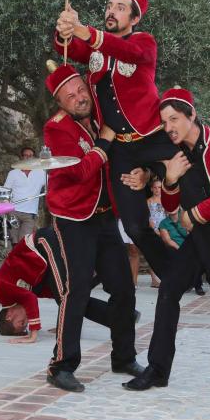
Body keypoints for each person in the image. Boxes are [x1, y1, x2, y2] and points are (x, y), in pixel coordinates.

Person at [122, 87, 210, 393]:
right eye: (164, 122)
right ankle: (158, 370)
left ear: (191, 115)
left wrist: (194, 215)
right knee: (169, 288)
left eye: (174, 119)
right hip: (203, 233)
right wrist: (169, 179)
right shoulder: (174, 156)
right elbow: (171, 206)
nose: (169, 127)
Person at [54, 0, 177, 277]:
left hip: (152, 137)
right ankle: (174, 275)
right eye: (110, 5)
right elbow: (68, 48)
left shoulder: (144, 42)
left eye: (120, 7)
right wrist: (64, 29)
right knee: (134, 226)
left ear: (134, 18)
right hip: (120, 146)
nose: (111, 10)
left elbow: (126, 50)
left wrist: (84, 31)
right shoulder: (96, 49)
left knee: (194, 188)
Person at [43, 64, 142, 392]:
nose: (78, 98)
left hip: (104, 216)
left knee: (124, 288)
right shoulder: (56, 129)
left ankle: (123, 356)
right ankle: (61, 365)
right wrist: (104, 142)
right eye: (69, 96)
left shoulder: (100, 113)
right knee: (77, 289)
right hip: (73, 218)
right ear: (61, 103)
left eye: (80, 90)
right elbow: (81, 171)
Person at [0, 227, 138, 343]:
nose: (27, 321)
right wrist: (65, 318)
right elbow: (55, 292)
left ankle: (122, 314)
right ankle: (124, 317)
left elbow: (30, 298)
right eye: (26, 325)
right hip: (46, 262)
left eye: (22, 322)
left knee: (66, 295)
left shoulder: (3, 292)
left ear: (9, 316)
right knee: (68, 295)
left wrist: (33, 333)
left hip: (40, 243)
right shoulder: (20, 296)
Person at [3, 146, 46, 244]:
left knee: (24, 242)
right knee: (14, 242)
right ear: (22, 157)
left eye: (30, 156)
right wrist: (7, 208)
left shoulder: (41, 173)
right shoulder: (13, 173)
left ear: (34, 157)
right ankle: (13, 259)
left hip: (30, 214)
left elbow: (52, 183)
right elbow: (6, 191)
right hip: (14, 211)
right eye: (25, 155)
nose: (28, 158)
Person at [158, 208, 205, 295]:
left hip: (190, 245)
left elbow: (193, 232)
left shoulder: (185, 218)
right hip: (175, 247)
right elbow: (168, 240)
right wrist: (181, 249)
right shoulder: (164, 223)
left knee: (196, 259)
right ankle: (186, 283)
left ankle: (197, 285)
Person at [147, 178, 167, 288]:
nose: (157, 190)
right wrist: (154, 229)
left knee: (165, 252)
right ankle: (154, 279)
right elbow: (148, 218)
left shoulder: (166, 200)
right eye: (155, 187)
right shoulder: (149, 201)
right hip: (154, 229)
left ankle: (165, 276)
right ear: (151, 189)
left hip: (165, 229)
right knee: (154, 253)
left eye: (159, 187)